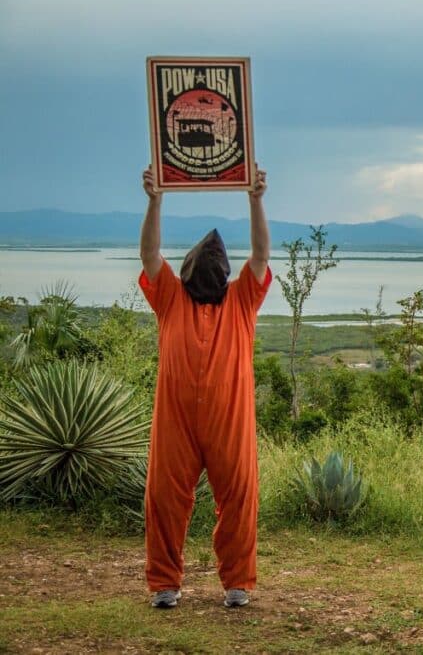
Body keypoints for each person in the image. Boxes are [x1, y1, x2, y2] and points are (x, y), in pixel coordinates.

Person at [139, 165, 271, 609]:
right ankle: (164, 583)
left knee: (239, 494)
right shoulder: (171, 298)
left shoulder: (241, 300)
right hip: (175, 420)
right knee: (163, 497)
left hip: (228, 423)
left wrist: (255, 199)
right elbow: (150, 256)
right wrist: (155, 200)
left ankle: (238, 581)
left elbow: (260, 256)